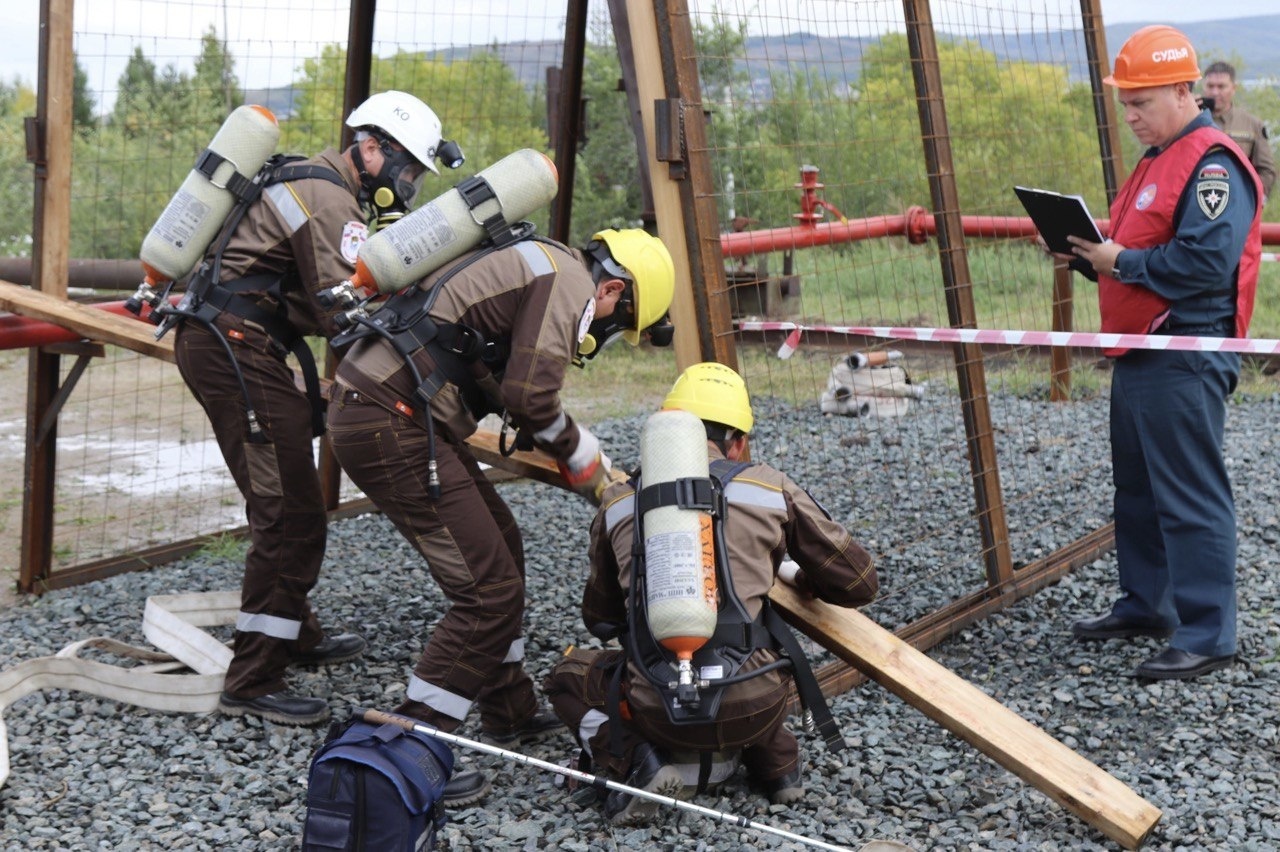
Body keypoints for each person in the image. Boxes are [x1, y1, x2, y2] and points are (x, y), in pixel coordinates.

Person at [325, 227, 677, 805]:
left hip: (392, 408)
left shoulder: (542, 261)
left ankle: (506, 707)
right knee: (488, 592)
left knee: (503, 547)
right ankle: (407, 746)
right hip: (391, 418)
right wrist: (585, 457)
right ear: (612, 289)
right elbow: (531, 396)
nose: (599, 332)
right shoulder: (568, 283)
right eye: (612, 322)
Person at [173, 91, 459, 726]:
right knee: (292, 513)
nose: (407, 184)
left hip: (234, 345)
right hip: (237, 350)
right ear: (371, 147)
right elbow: (341, 311)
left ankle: (290, 632)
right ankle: (253, 677)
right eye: (406, 168)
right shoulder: (331, 199)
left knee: (284, 492)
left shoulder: (311, 181)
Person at [543, 363, 878, 825]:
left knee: (565, 676)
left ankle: (639, 760)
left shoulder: (618, 502)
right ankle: (777, 765)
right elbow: (859, 583)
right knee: (760, 645)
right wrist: (798, 578)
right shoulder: (768, 487)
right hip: (755, 704)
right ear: (737, 441)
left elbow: (600, 618)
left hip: (657, 705)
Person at [1063, 26, 1262, 680]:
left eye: (1141, 102)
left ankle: (1208, 633)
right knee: (1140, 491)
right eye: (1125, 104)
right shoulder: (1155, 161)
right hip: (1144, 348)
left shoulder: (1212, 162)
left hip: (1185, 347)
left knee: (1189, 493)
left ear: (1185, 91)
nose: (1131, 116)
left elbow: (1205, 261)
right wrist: (1097, 258)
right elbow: (1141, 257)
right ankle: (1148, 603)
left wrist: (1122, 260)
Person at [1201, 61, 1275, 205]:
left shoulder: (1251, 124)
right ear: (1204, 87)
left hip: (1239, 205)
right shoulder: (1189, 122)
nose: (1215, 92)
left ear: (1233, 88)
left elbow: (1267, 171)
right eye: (1210, 86)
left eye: (1221, 86)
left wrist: (1252, 199)